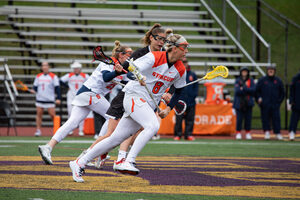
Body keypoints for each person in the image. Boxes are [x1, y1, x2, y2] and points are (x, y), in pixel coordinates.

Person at [70, 31, 189, 182]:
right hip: (134, 96)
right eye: (184, 47)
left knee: (115, 139)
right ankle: (128, 160)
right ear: (174, 48)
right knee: (152, 125)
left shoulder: (180, 69)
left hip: (147, 103)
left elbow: (178, 92)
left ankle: (79, 162)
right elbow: (129, 66)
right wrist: (136, 77)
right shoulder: (154, 57)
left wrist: (168, 109)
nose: (186, 51)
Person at [79, 23, 170, 169]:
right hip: (128, 95)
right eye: (159, 39)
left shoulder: (165, 55)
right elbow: (127, 72)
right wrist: (126, 74)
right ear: (151, 38)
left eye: (164, 40)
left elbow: (162, 78)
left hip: (146, 98)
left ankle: (119, 158)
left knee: (138, 130)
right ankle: (86, 157)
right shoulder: (141, 53)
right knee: (111, 134)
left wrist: (165, 92)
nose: (161, 43)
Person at [38, 41, 132, 165]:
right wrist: (117, 72)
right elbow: (106, 77)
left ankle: (48, 147)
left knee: (72, 122)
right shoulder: (108, 62)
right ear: (121, 55)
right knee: (112, 116)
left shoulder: (121, 67)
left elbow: (129, 80)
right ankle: (93, 151)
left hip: (87, 95)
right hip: (90, 93)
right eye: (129, 54)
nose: (130, 57)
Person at [30, 62, 61, 137]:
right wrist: (33, 90)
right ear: (41, 67)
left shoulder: (53, 76)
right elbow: (35, 87)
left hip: (50, 99)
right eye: (43, 66)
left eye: (46, 65)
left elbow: (57, 88)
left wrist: (58, 98)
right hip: (40, 99)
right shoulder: (38, 76)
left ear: (48, 67)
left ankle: (57, 131)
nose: (45, 67)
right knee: (39, 115)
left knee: (52, 115)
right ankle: (38, 130)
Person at [60, 61, 89, 136]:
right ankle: (70, 130)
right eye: (74, 68)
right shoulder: (69, 75)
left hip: (81, 96)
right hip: (71, 96)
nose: (76, 70)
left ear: (80, 69)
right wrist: (67, 87)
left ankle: (81, 130)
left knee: (81, 114)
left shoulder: (84, 76)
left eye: (77, 68)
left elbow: (89, 83)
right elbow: (60, 81)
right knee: (70, 113)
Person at [255, 66, 285, 140]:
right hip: (265, 104)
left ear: (274, 71)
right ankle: (267, 132)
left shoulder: (278, 80)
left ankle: (277, 133)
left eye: (272, 70)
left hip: (275, 104)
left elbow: (282, 92)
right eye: (269, 70)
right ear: (267, 71)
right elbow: (256, 91)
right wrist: (259, 99)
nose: (270, 71)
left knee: (276, 119)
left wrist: (279, 102)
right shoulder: (262, 80)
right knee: (265, 118)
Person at [174, 58, 198, 141]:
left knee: (190, 119)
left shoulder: (192, 74)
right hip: (179, 101)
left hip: (191, 101)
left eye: (185, 62)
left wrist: (193, 96)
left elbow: (196, 87)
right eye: (182, 62)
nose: (184, 64)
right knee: (179, 119)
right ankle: (178, 134)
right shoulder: (177, 74)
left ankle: (188, 134)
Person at [233, 67, 256, 140]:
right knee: (239, 119)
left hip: (248, 102)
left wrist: (244, 88)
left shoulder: (251, 80)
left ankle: (248, 132)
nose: (244, 73)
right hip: (239, 103)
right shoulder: (238, 80)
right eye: (243, 71)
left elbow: (253, 90)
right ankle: (238, 132)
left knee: (248, 119)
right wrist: (246, 90)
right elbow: (237, 91)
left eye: (245, 72)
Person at [288, 71, 300, 141]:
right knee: (294, 120)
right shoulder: (296, 78)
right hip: (297, 103)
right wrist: (291, 100)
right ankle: (292, 132)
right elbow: (291, 90)